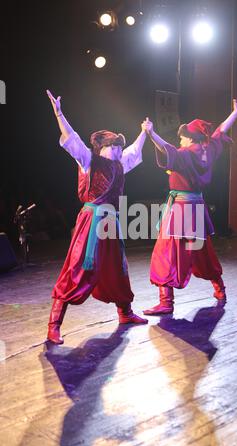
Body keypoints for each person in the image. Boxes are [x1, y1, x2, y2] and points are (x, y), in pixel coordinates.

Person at [46, 90, 148, 344]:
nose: (117, 150)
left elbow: (135, 152)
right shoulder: (88, 161)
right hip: (91, 222)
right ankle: (54, 325)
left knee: (117, 268)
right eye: (113, 146)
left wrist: (145, 133)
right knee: (78, 267)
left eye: (118, 146)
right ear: (102, 148)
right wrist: (59, 113)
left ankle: (125, 313)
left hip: (111, 223)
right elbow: (72, 139)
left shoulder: (120, 163)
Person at [142, 95, 237, 315]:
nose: (180, 141)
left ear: (190, 139)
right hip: (197, 208)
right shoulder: (209, 149)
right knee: (203, 251)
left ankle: (166, 302)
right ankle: (220, 289)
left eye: (182, 138)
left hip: (181, 210)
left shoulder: (184, 154)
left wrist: (151, 133)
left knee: (167, 252)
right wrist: (236, 111)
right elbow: (221, 131)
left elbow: (167, 149)